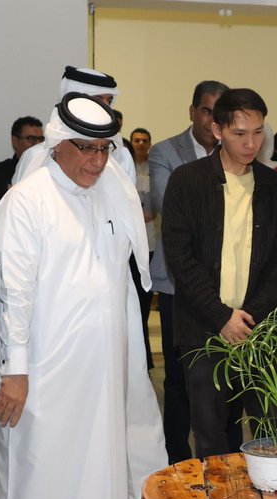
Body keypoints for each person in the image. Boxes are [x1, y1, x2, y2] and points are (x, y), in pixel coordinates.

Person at [0, 94, 166, 499]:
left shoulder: (110, 191)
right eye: (86, 149)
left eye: (104, 150)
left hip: (104, 363)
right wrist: (15, 370)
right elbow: (16, 296)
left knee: (101, 463)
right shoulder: (26, 201)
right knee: (46, 461)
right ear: (57, 145)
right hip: (47, 364)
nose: (96, 161)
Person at [160, 88, 277, 459]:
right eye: (239, 133)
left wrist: (249, 318)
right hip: (204, 329)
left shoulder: (272, 185)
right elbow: (180, 257)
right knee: (211, 436)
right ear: (217, 130)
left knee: (272, 431)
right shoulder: (186, 181)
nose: (251, 143)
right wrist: (222, 317)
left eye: (258, 131)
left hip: (260, 328)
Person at [149, 80, 228, 463]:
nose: (214, 120)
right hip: (177, 284)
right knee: (180, 377)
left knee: (221, 375)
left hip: (225, 286)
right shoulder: (166, 151)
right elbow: (169, 205)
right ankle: (177, 459)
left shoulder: (237, 152)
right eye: (208, 111)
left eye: (220, 113)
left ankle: (222, 457)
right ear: (194, 111)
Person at [12, 67, 135, 184]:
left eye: (109, 100)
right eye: (98, 99)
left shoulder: (122, 156)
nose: (105, 107)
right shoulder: (35, 156)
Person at [0, 116, 44, 247]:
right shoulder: (0, 172)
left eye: (41, 139)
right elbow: (0, 214)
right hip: (12, 243)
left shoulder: (49, 171)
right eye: (31, 139)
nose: (38, 145)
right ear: (15, 141)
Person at [130, 126, 155, 369]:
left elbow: (155, 205)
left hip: (149, 242)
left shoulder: (154, 169)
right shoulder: (126, 167)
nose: (140, 144)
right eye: (136, 140)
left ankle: (145, 360)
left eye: (144, 140)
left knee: (144, 304)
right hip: (130, 244)